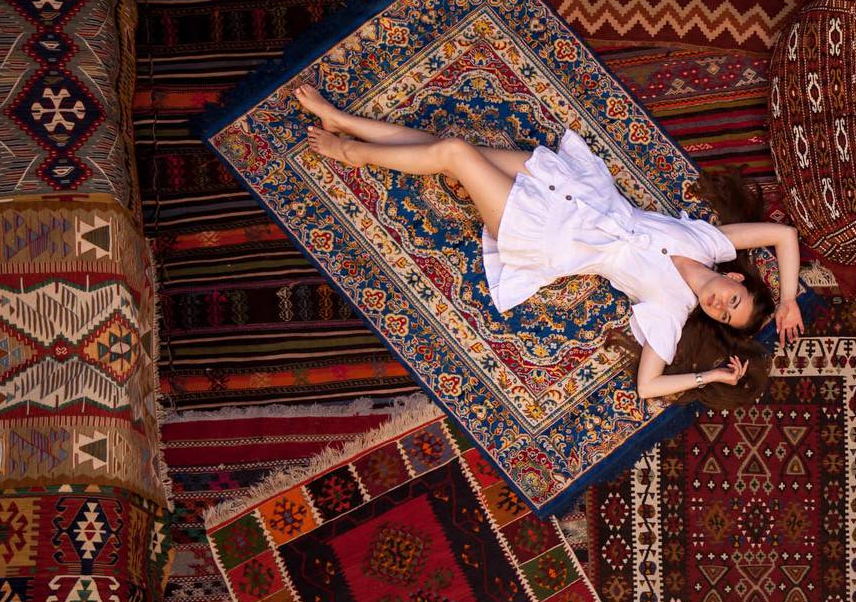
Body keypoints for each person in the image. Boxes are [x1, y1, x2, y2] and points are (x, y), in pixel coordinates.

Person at [294, 85, 803, 406]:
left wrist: (709, 376)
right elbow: (784, 235)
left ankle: (351, 151)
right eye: (732, 299)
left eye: (724, 316)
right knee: (445, 148)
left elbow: (648, 387)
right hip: (572, 188)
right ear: (734, 277)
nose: (719, 305)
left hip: (547, 234)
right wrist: (786, 300)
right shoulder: (713, 243)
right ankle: (345, 121)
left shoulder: (671, 310)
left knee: (454, 152)